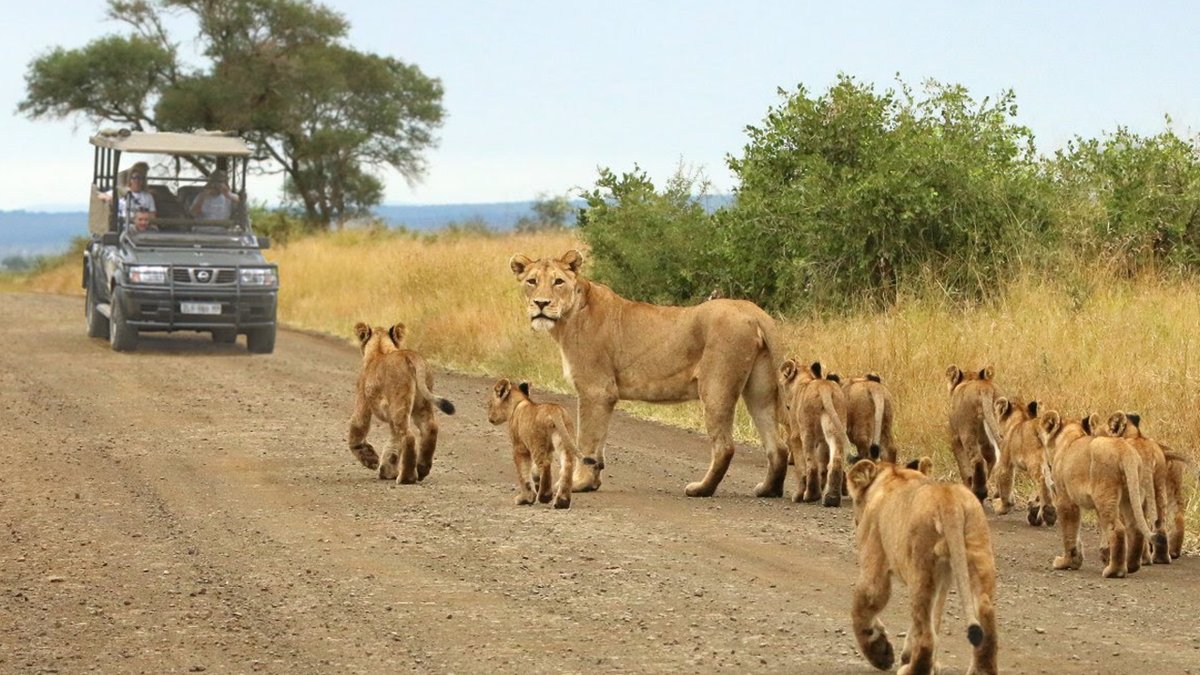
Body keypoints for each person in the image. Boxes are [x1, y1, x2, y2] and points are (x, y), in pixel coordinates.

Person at [99, 161, 157, 226]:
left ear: (143, 180)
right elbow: (100, 195)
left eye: (140, 178)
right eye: (134, 178)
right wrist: (110, 199)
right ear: (130, 179)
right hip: (121, 226)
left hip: (139, 229)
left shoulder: (147, 197)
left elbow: (152, 216)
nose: (137, 181)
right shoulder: (120, 191)